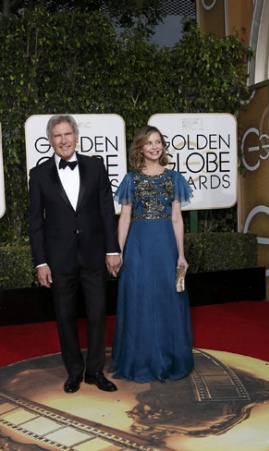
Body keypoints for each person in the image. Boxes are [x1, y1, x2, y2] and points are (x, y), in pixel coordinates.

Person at [28, 114, 122, 394]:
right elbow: (35, 222)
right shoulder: (39, 174)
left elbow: (107, 210)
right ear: (50, 141)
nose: (63, 140)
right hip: (59, 259)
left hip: (94, 254)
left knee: (97, 314)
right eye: (57, 136)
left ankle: (95, 371)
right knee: (65, 317)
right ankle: (74, 371)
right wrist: (41, 261)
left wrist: (112, 249)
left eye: (67, 134)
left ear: (76, 136)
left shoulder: (95, 166)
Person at [109, 125, 194, 383]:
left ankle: (169, 357)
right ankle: (140, 360)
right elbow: (124, 218)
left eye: (158, 142)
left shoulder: (174, 178)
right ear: (140, 148)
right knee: (138, 298)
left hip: (166, 245)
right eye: (149, 143)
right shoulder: (131, 179)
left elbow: (177, 219)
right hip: (139, 246)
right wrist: (118, 251)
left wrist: (181, 255)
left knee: (166, 298)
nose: (155, 147)